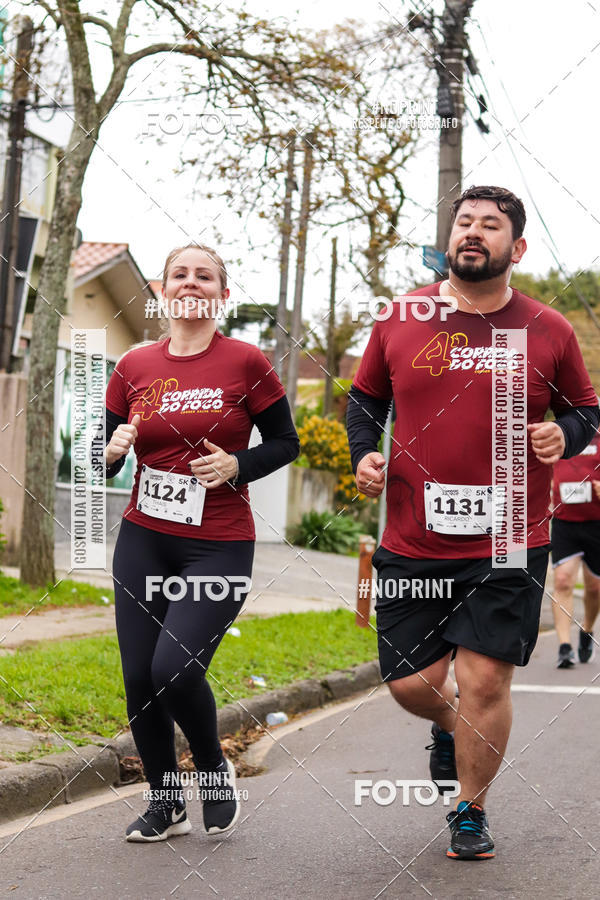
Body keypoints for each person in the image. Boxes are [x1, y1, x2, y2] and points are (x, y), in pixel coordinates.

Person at [346, 185, 599, 861]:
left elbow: (585, 409)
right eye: (464, 222)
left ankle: (470, 809)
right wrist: (364, 454)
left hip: (511, 535)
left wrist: (566, 435)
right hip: (413, 536)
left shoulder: (548, 328)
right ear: (450, 236)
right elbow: (365, 400)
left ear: (517, 248)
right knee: (412, 683)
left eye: (490, 225)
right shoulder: (401, 317)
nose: (473, 232)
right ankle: (449, 726)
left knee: (486, 680)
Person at [102, 243, 299, 842]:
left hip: (218, 544)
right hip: (143, 539)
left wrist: (238, 465)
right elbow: (100, 456)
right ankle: (167, 805)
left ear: (222, 294)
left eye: (204, 276)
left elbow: (286, 443)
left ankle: (213, 769)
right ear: (162, 291)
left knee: (174, 668)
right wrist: (109, 452)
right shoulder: (133, 366)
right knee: (140, 679)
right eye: (179, 275)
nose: (191, 283)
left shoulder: (245, 361)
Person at [550, 429, 600, 667]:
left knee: (595, 588)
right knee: (562, 580)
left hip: (596, 524)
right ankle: (564, 647)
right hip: (565, 523)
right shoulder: (558, 436)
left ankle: (587, 629)